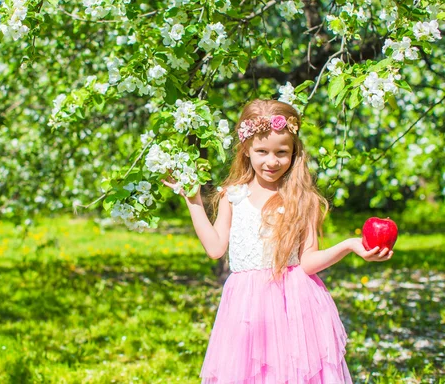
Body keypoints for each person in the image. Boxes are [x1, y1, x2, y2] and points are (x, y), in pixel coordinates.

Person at [161, 99, 393, 384]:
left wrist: (349, 245)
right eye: (262, 152)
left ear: (294, 152)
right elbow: (215, 248)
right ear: (246, 150)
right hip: (246, 308)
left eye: (282, 153)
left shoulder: (302, 199)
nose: (272, 161)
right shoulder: (232, 195)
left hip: (293, 304)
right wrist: (194, 201)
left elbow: (308, 262)